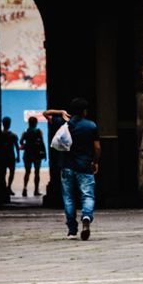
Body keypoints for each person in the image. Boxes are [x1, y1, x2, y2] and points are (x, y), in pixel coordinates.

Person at [43, 99, 101, 240]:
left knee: (69, 198)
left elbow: (45, 113)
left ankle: (72, 230)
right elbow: (98, 148)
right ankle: (86, 216)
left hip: (66, 166)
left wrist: (60, 112)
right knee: (87, 195)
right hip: (84, 166)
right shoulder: (91, 126)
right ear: (84, 111)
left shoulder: (63, 123)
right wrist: (95, 162)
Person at [19, 116, 46, 196]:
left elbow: (21, 141)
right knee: (37, 173)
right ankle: (36, 190)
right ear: (36, 123)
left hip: (27, 154)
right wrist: (45, 153)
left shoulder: (25, 132)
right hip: (37, 154)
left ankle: (25, 188)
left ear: (29, 123)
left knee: (27, 172)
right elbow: (42, 143)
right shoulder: (39, 131)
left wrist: (25, 145)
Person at [0, 117, 20, 196]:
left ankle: (5, 187)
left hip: (2, 157)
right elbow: (17, 147)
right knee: (11, 172)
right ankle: (8, 187)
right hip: (10, 156)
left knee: (3, 173)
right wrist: (18, 156)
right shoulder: (13, 135)